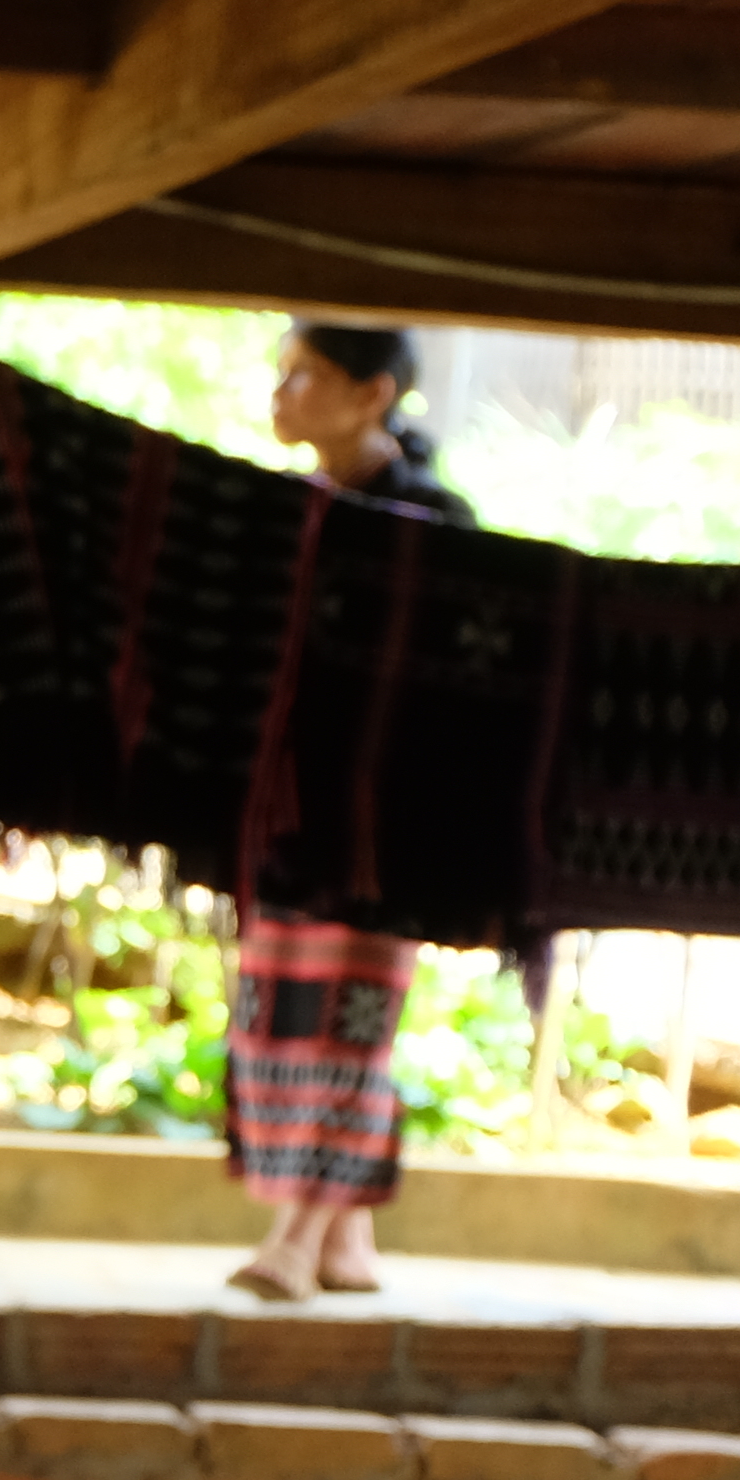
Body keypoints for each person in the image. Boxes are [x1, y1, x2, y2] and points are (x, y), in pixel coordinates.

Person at [227, 318, 477, 1302]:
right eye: (282, 373)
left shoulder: (436, 522)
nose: (283, 393)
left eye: (308, 375)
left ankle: (295, 1239)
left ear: (373, 394)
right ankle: (348, 1239)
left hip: (391, 824)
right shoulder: (278, 513)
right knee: (282, 1018)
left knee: (355, 1024)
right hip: (288, 812)